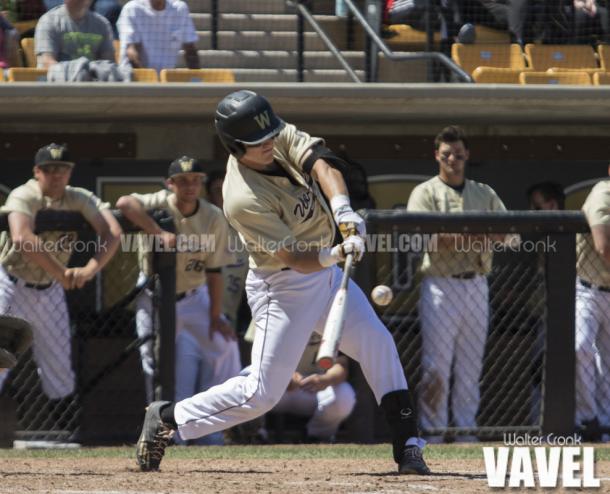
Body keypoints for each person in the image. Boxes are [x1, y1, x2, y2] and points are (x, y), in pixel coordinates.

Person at [135, 90, 430, 476]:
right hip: (283, 285)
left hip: (324, 275)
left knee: (378, 343)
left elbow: (323, 165)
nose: (270, 143)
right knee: (261, 394)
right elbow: (293, 257)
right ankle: (168, 418)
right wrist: (336, 253)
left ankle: (408, 444)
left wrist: (343, 210)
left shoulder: (274, 134)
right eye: (259, 143)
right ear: (236, 147)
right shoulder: (241, 197)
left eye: (272, 134)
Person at [117, 157, 241, 445]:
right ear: (170, 183)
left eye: (195, 179)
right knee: (154, 363)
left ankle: (214, 429)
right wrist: (158, 232)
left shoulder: (213, 216)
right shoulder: (161, 201)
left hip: (195, 296)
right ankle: (161, 431)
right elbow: (124, 203)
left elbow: (214, 271)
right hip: (154, 296)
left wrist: (214, 316)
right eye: (183, 180)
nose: (190, 185)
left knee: (224, 346)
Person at [406, 125, 511, 443]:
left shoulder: (484, 192)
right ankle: (434, 432)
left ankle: (465, 430)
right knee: (436, 366)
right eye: (447, 154)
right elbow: (422, 239)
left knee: (470, 366)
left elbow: (510, 234)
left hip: (477, 283)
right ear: (437, 155)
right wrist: (476, 235)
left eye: (459, 153)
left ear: (467, 155)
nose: (453, 159)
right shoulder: (425, 192)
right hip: (440, 284)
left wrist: (470, 236)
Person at [0, 143, 121, 405]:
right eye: (49, 169)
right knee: (0, 358)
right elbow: (22, 237)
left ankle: (62, 429)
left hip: (50, 289)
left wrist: (90, 269)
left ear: (70, 173)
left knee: (58, 361)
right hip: (12, 283)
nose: (56, 175)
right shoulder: (25, 194)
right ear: (37, 171)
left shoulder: (77, 196)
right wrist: (62, 272)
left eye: (62, 170)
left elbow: (112, 231)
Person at [242, 328, 356, 443]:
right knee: (246, 378)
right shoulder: (271, 309)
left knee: (344, 394)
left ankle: (317, 437)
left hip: (313, 388)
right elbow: (257, 356)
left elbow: (341, 364)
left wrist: (325, 379)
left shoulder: (331, 314)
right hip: (274, 387)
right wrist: (280, 374)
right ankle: (254, 435)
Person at [575, 165, 610, 442]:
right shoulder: (603, 192)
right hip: (589, 288)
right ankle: (587, 418)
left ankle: (606, 424)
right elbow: (603, 246)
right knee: (582, 347)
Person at [205, 169, 249, 335]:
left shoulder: (245, 231)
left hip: (229, 317)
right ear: (209, 197)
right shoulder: (201, 227)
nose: (223, 195)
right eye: (218, 191)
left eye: (226, 189)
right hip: (198, 313)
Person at [116, 0, 199, 73]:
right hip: (133, 80)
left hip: (165, 81)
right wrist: (147, 81)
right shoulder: (131, 9)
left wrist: (197, 81)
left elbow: (190, 50)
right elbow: (132, 54)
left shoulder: (180, 9)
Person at [34, 0, 115, 69]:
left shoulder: (102, 24)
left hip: (92, 84)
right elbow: (46, 62)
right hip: (57, 84)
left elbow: (108, 62)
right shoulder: (48, 21)